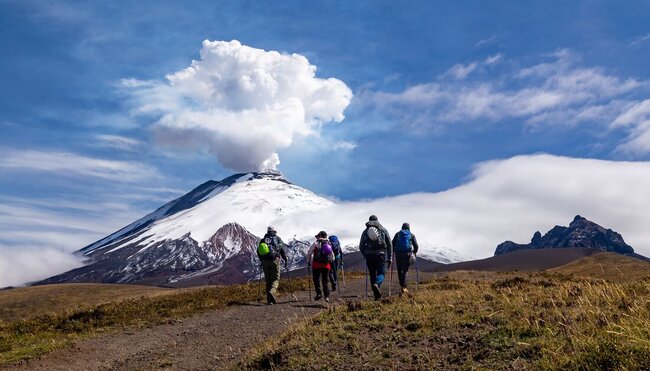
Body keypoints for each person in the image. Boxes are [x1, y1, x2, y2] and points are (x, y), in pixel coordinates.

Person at [359, 215, 392, 300]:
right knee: (381, 273)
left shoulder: (365, 231)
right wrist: (390, 257)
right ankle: (377, 285)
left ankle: (377, 295)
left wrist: (365, 255)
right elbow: (389, 244)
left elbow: (361, 245)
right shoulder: (383, 230)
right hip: (381, 254)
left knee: (372, 275)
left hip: (369, 255)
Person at [257, 226, 288, 305]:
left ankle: (269, 300)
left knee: (268, 281)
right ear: (274, 231)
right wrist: (285, 259)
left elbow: (259, 251)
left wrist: (262, 261)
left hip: (265, 262)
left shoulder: (263, 240)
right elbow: (282, 250)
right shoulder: (277, 239)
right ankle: (272, 292)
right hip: (275, 261)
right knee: (276, 279)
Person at [392, 222, 419, 296]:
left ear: (402, 227)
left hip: (398, 254)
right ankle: (404, 287)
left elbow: (393, 243)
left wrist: (394, 250)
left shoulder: (397, 234)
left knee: (399, 269)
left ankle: (402, 286)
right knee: (405, 270)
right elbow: (416, 245)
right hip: (407, 254)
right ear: (409, 227)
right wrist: (414, 252)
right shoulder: (411, 235)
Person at [307, 231, 335, 302]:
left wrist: (308, 261)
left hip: (316, 265)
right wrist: (330, 261)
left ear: (320, 236)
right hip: (326, 265)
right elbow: (332, 255)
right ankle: (327, 296)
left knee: (316, 280)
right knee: (325, 281)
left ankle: (319, 294)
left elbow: (309, 252)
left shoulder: (316, 243)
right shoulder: (329, 243)